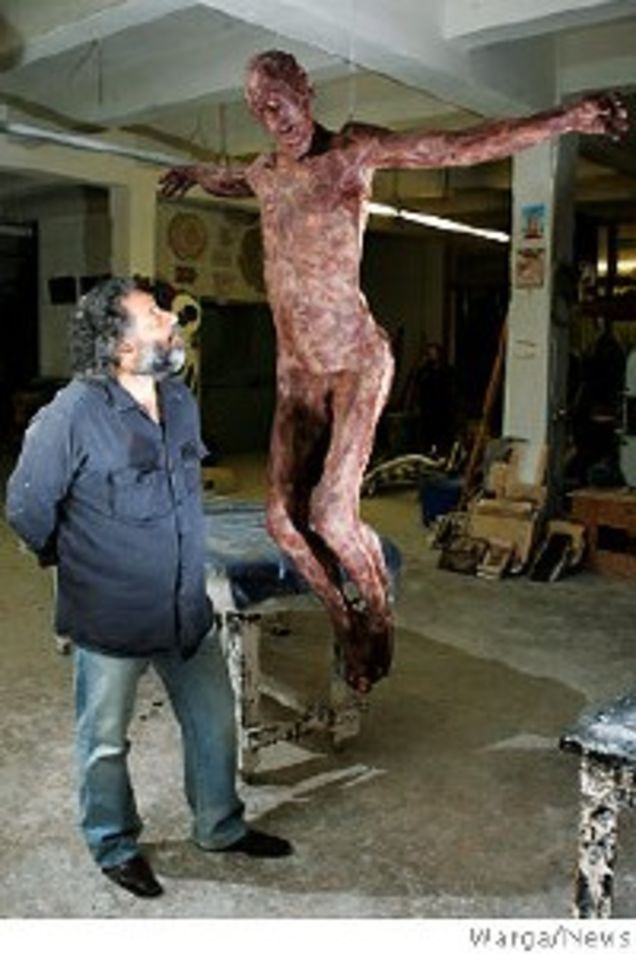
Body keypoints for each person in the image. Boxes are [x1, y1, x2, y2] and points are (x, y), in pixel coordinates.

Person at [161, 50, 628, 693]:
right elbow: (232, 180)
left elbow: (454, 147)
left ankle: (378, 617)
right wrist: (194, 172)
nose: (275, 119)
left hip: (356, 361)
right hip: (298, 373)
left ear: (306, 90)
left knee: (330, 515)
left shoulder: (352, 153)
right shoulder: (265, 172)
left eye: (281, 101)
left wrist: (565, 119)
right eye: (260, 111)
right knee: (281, 522)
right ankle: (344, 618)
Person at [5, 277, 292, 901]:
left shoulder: (180, 401)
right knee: (105, 742)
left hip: (186, 604)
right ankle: (113, 844)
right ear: (121, 346)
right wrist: (72, 559)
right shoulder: (71, 416)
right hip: (111, 615)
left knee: (214, 723)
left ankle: (219, 826)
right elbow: (26, 507)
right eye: (154, 314)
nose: (170, 318)